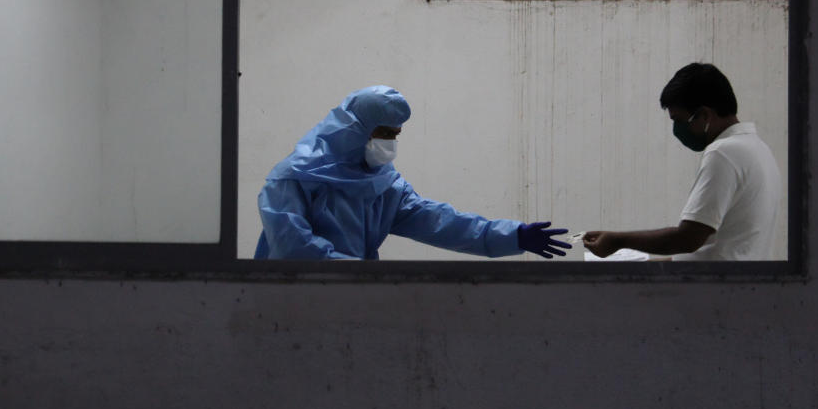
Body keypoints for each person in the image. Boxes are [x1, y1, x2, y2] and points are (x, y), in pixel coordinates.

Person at [254, 85, 571, 260]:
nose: (389, 144)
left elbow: (440, 222)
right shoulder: (293, 178)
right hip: (291, 304)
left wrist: (510, 236)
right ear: (354, 130)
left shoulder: (384, 187)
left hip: (351, 300)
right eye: (384, 133)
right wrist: (354, 277)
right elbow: (293, 249)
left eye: (395, 135)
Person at [582, 63, 781, 261]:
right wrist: (642, 262)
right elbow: (719, 245)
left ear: (704, 116)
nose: (677, 130)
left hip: (716, 288)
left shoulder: (723, 153)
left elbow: (688, 238)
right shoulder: (757, 148)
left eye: (678, 120)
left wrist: (618, 241)